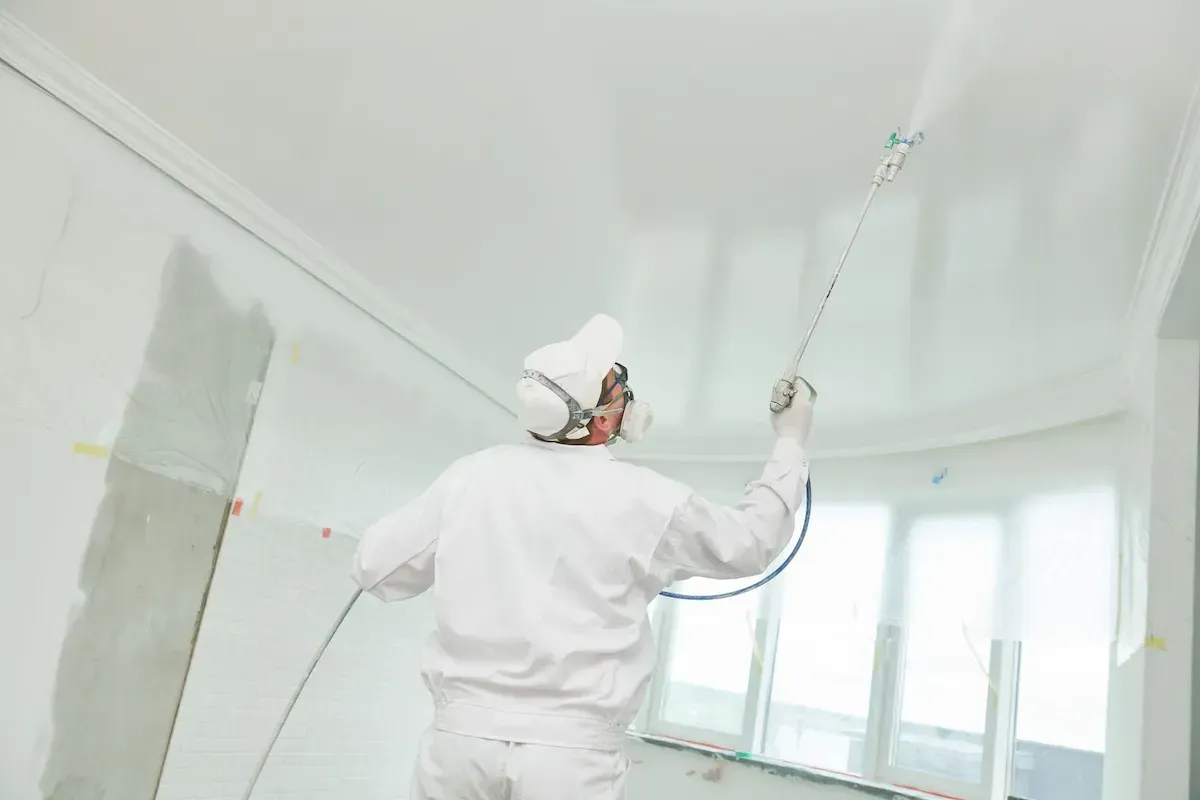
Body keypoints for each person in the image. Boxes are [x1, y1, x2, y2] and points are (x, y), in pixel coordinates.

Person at [350, 313, 813, 800]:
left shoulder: (471, 476)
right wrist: (790, 441)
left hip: (458, 749)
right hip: (570, 763)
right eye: (617, 384)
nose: (626, 395)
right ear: (600, 418)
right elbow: (751, 541)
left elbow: (374, 570)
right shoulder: (646, 499)